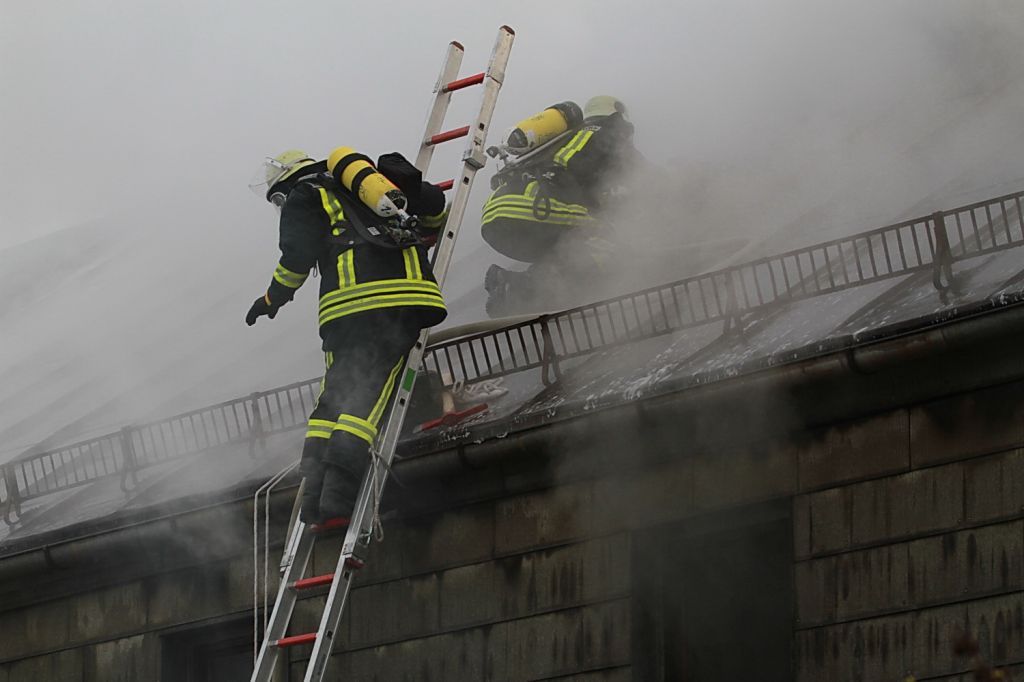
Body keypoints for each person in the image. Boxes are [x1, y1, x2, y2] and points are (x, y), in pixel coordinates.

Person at [245, 147, 448, 524]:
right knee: (368, 393)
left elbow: (296, 257)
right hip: (401, 297)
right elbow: (436, 209)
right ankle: (334, 498)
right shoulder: (372, 187)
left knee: (337, 394)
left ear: (286, 183)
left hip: (346, 310)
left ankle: (322, 500)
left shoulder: (305, 194)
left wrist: (272, 298)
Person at [481, 95, 639, 316]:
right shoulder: (606, 131)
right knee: (606, 239)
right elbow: (643, 176)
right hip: (533, 204)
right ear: (617, 114)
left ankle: (512, 289)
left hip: (498, 215)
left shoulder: (568, 140)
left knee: (567, 248)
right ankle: (527, 290)